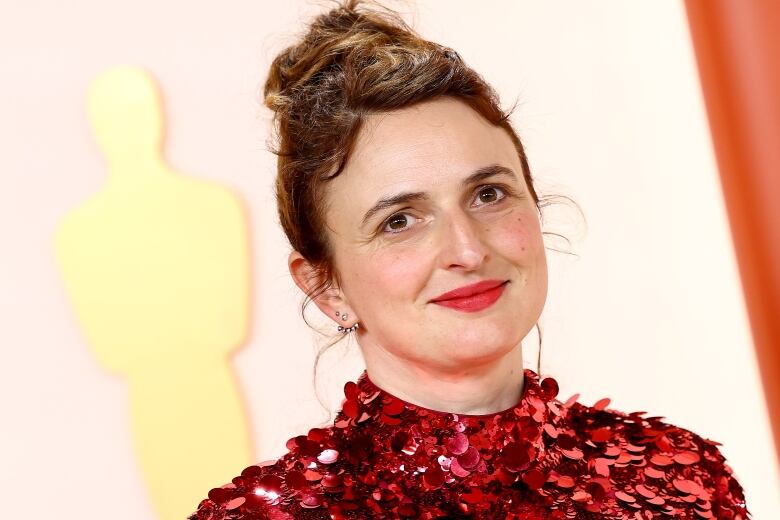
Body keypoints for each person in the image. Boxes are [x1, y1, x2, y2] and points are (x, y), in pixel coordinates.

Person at [189, 1, 750, 518]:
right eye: (399, 221)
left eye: (488, 195)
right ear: (326, 287)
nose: (467, 249)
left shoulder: (684, 475)